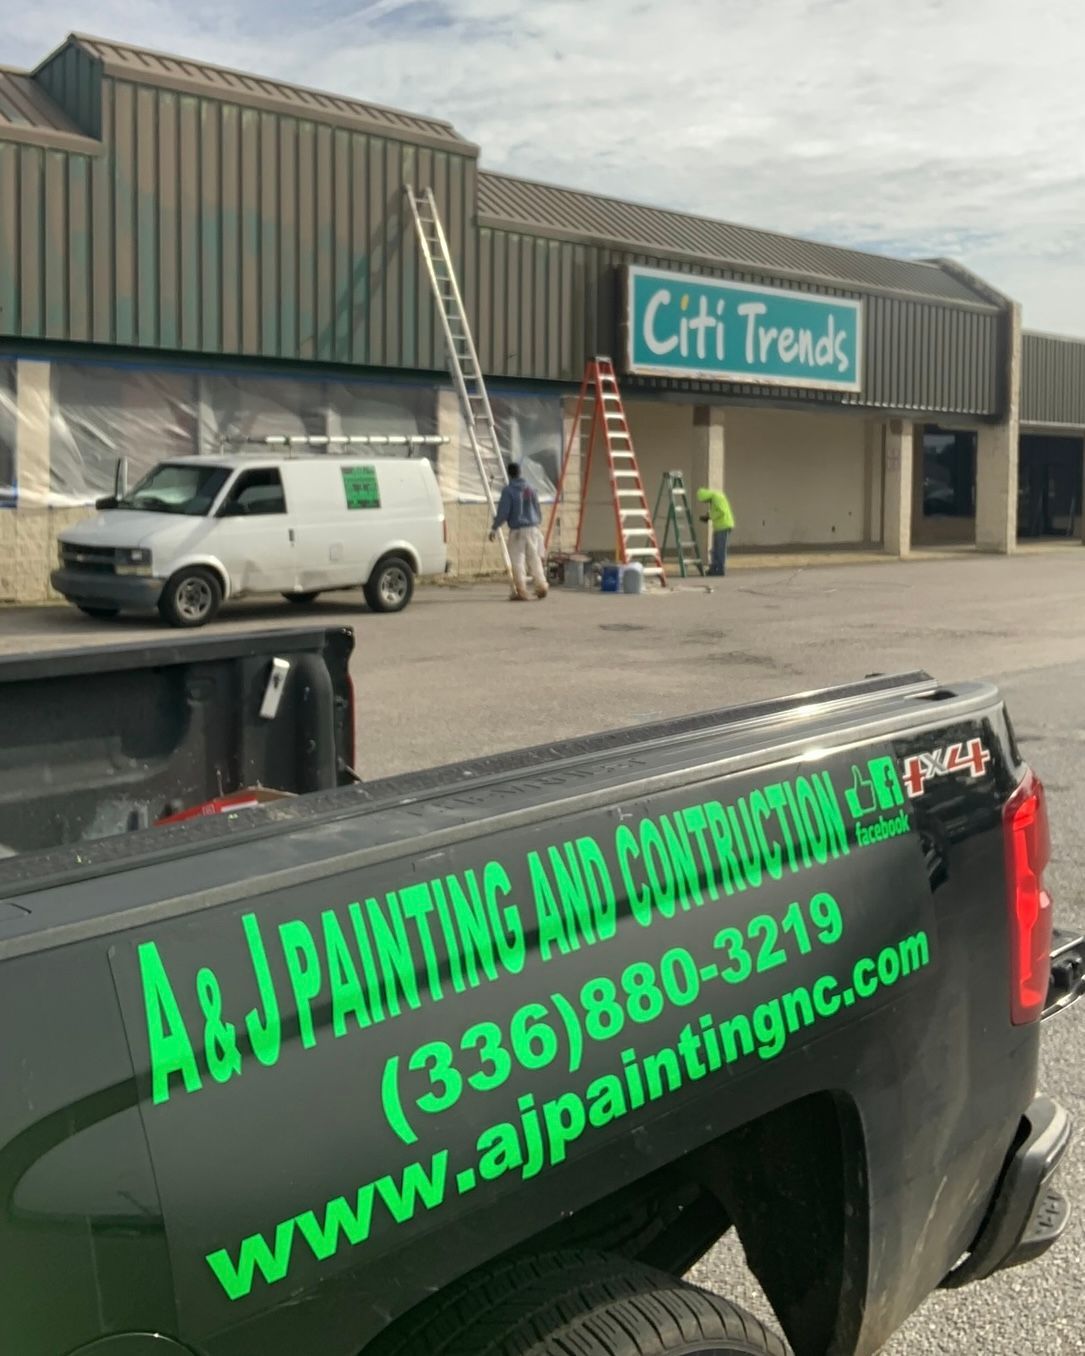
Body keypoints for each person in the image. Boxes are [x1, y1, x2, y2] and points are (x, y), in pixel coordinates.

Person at [489, 462, 549, 601]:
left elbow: (504, 512)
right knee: (535, 559)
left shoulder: (509, 490)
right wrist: (536, 521)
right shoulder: (531, 489)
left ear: (509, 474)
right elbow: (537, 509)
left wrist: (495, 527)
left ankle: (521, 590)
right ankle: (541, 585)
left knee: (517, 561)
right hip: (533, 528)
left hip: (517, 531)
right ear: (520, 473)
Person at [697, 485, 735, 577]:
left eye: (704, 500)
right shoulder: (715, 497)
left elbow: (721, 512)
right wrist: (709, 515)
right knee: (715, 549)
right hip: (720, 525)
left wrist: (710, 516)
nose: (705, 502)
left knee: (719, 549)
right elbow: (717, 510)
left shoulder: (716, 498)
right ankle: (714, 568)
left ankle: (720, 569)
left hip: (723, 525)